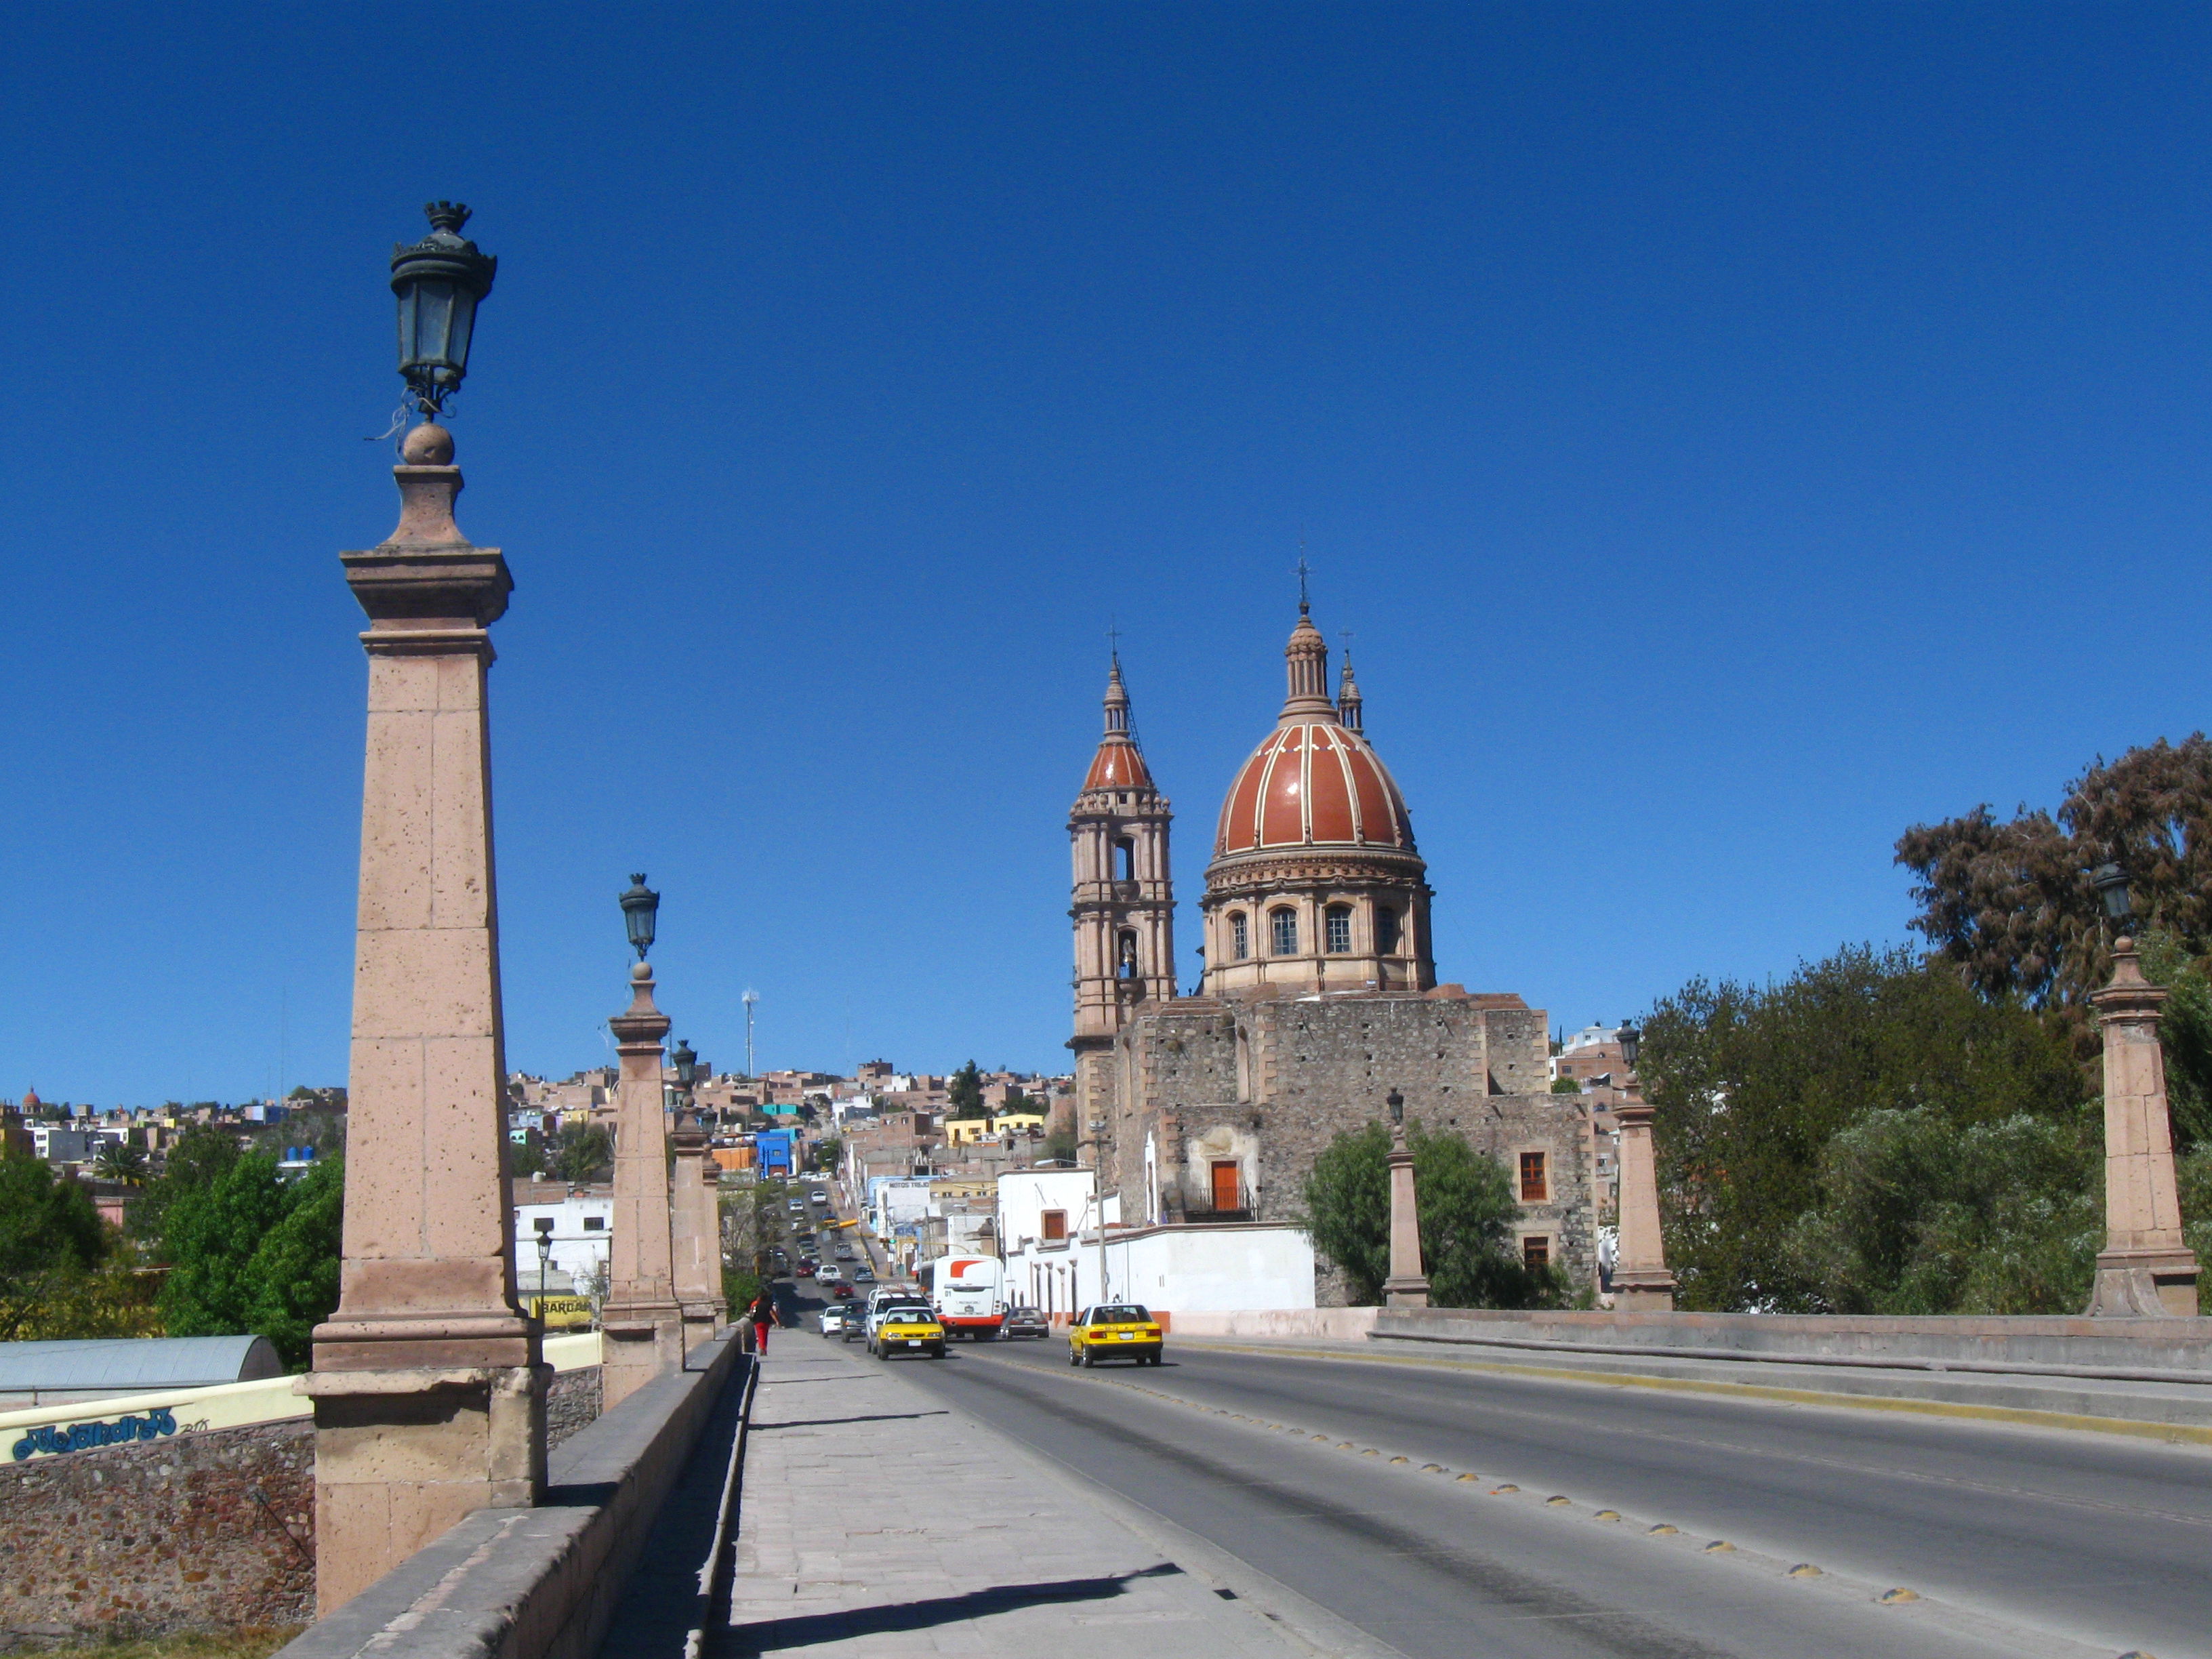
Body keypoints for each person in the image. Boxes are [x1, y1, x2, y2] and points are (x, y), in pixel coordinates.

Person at [748, 1290, 778, 1355]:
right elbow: (772, 1314)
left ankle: (762, 1348)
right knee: (765, 1336)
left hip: (758, 1322)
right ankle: (764, 1348)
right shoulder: (768, 1304)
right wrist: (777, 1321)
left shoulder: (756, 1304)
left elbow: (752, 1312)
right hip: (766, 1322)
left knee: (760, 1335)